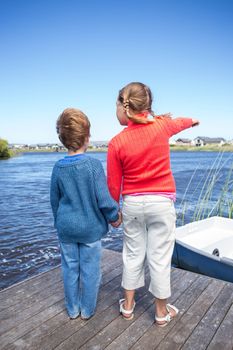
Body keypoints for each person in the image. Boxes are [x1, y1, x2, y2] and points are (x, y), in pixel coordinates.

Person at [107, 82, 199, 327]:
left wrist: (113, 213)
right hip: (161, 203)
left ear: (123, 106)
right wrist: (193, 121)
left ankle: (127, 307)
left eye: (115, 105)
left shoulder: (116, 142)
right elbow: (180, 122)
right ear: (146, 107)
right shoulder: (161, 126)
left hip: (133, 205)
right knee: (159, 257)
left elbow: (113, 185)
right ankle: (161, 312)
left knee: (133, 254)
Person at [50, 108, 121, 320]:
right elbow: (104, 199)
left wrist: (59, 223)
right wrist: (115, 216)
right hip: (90, 230)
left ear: (62, 138)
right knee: (90, 271)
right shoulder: (92, 165)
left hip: (66, 229)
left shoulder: (58, 167)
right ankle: (87, 310)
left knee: (70, 269)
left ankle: (72, 309)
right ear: (87, 137)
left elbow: (55, 201)